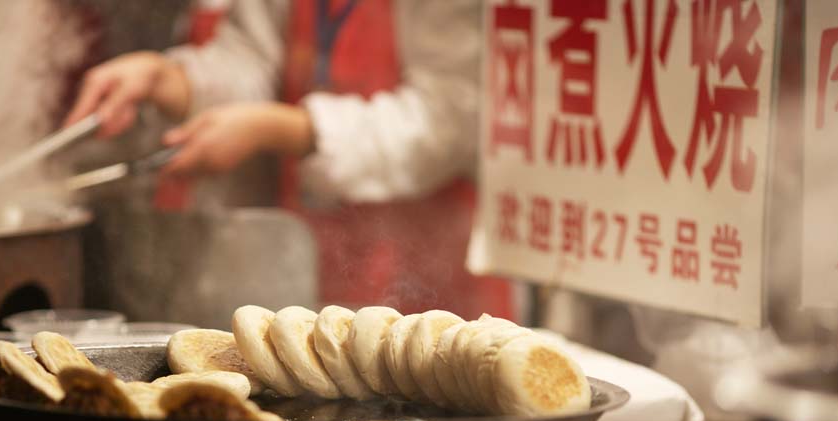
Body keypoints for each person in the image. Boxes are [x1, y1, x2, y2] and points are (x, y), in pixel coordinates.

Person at [65, 0, 512, 320]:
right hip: (315, 252)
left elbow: (448, 118)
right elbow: (251, 58)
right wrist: (170, 80)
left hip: (433, 268)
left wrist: (284, 129)